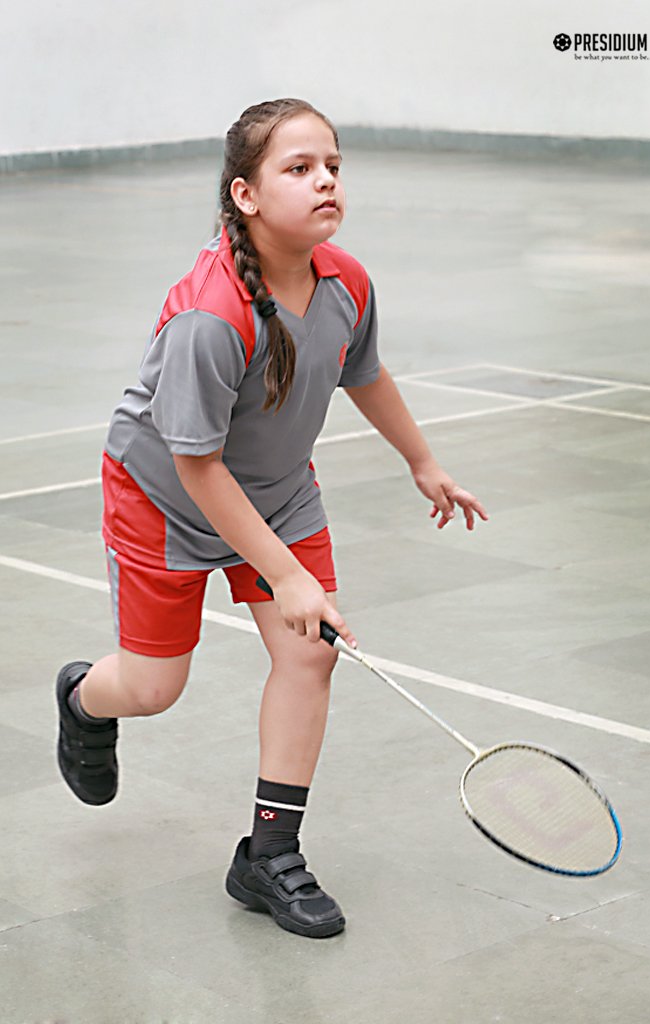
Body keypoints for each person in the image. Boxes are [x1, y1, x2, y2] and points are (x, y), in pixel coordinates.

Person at [55, 98, 488, 939]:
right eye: (298, 168)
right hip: (164, 502)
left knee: (307, 659)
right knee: (152, 688)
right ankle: (83, 700)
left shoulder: (345, 280)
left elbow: (363, 371)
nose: (324, 179)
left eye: (331, 164)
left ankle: (268, 853)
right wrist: (284, 573)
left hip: (280, 492)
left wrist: (422, 461)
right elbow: (196, 464)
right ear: (245, 194)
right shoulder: (208, 318)